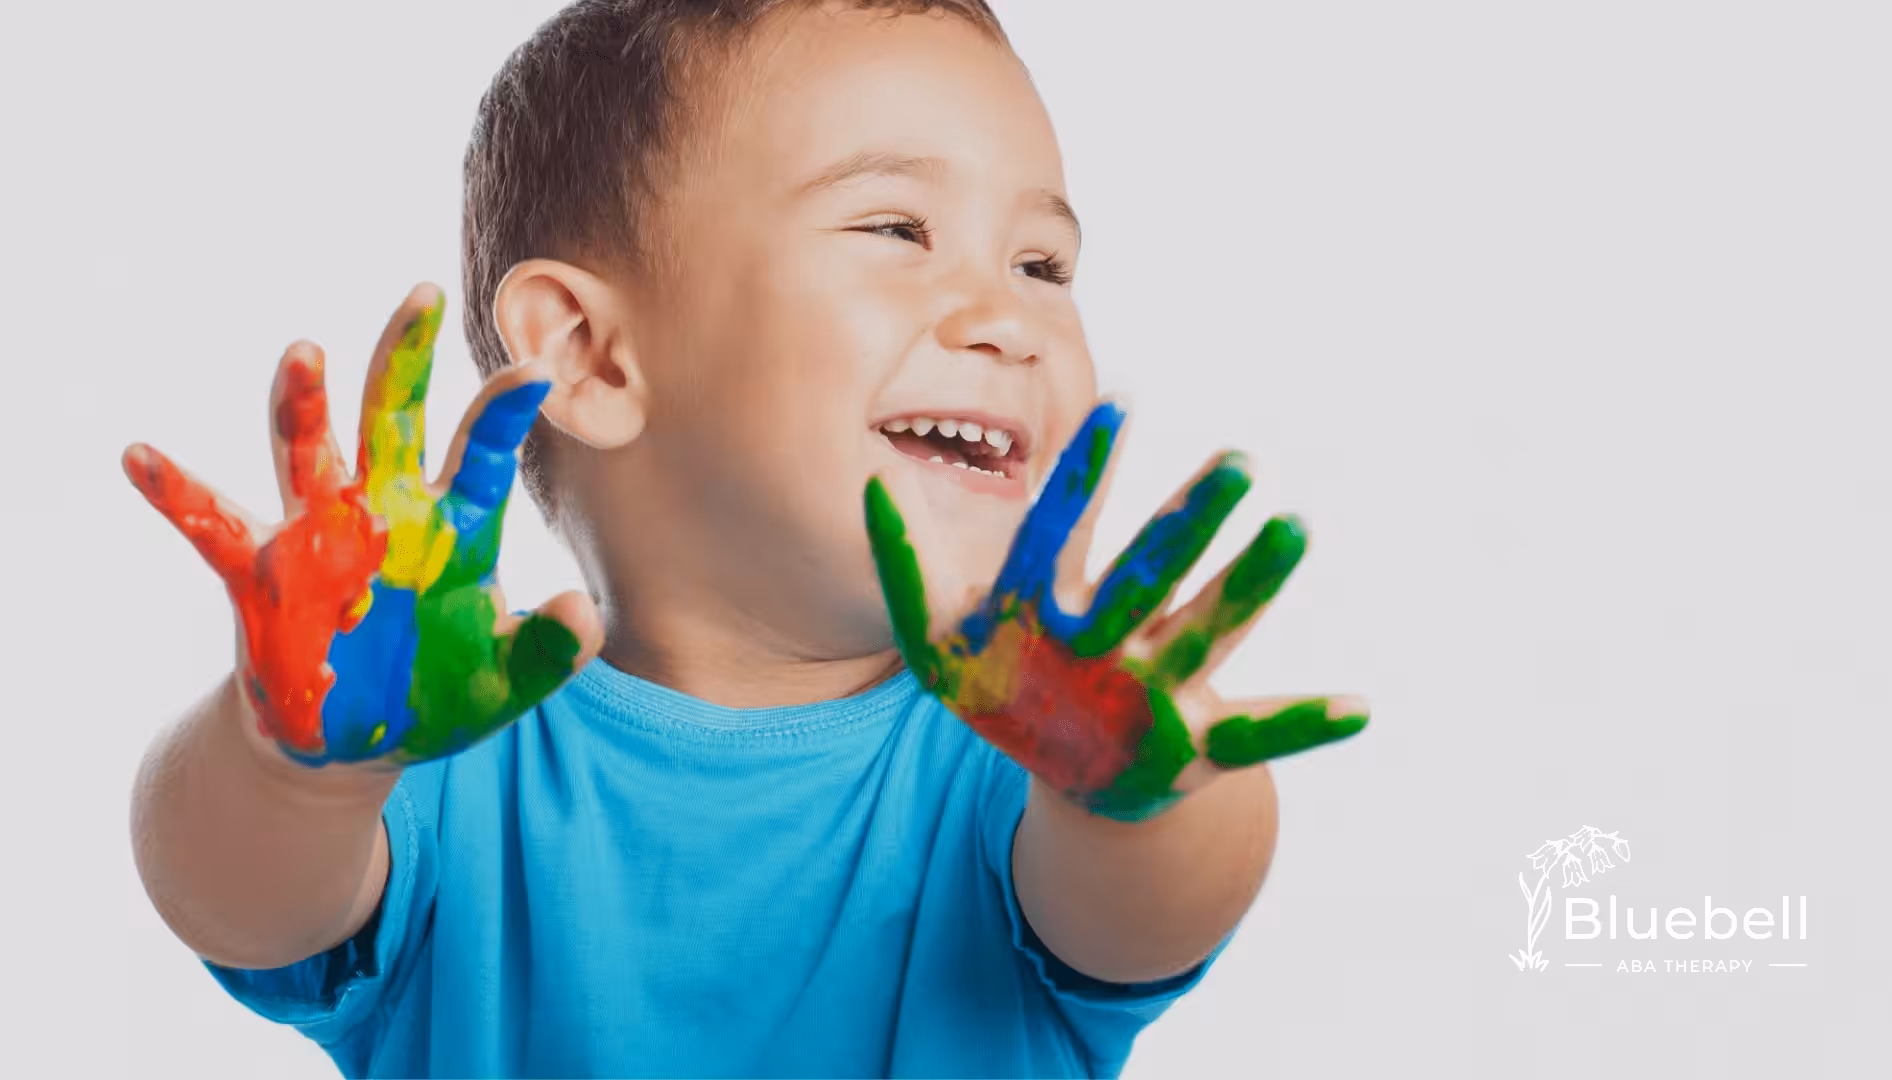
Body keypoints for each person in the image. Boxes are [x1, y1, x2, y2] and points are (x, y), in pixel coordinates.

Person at [123, 2, 1368, 1076]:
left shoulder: (1016, 771)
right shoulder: (441, 760)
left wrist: (1133, 798)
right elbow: (234, 897)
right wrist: (297, 767)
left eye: (1044, 261)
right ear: (591, 355)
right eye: (898, 229)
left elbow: (1149, 915)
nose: (1012, 318)